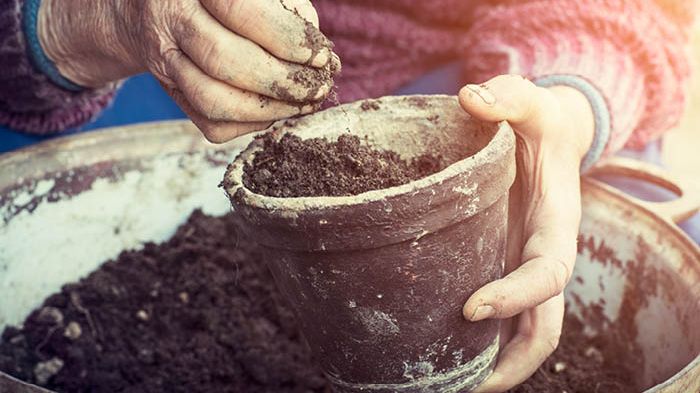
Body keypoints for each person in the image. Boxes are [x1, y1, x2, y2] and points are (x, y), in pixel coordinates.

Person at [0, 0, 695, 391]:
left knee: (612, 216)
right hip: (143, 73)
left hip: (474, 77)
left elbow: (630, 15)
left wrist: (564, 108)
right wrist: (75, 28)